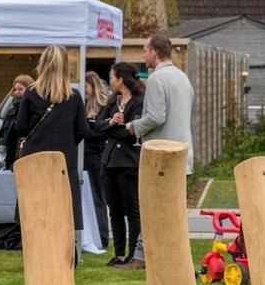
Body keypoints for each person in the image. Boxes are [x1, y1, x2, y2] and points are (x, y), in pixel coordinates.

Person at [124, 34, 193, 265]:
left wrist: (133, 126)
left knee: (152, 207)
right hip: (183, 154)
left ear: (154, 52)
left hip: (161, 155)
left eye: (145, 50)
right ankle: (171, 256)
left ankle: (141, 257)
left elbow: (155, 117)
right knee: (174, 212)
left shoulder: (156, 79)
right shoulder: (183, 78)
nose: (143, 55)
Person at [12, 45, 91, 233]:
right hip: (63, 160)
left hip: (35, 158)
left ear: (42, 64)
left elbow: (20, 128)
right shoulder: (73, 97)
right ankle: (62, 258)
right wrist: (66, 143)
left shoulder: (31, 93)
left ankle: (37, 257)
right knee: (62, 213)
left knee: (36, 214)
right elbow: (82, 130)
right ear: (65, 66)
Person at [95, 63, 146, 267]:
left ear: (121, 79)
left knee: (131, 210)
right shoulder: (112, 101)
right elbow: (97, 126)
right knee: (114, 210)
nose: (110, 79)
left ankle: (134, 254)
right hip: (109, 162)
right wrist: (110, 123)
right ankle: (118, 253)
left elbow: (131, 132)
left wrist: (112, 127)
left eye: (112, 76)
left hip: (128, 162)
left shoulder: (140, 102)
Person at [80, 71, 114, 245]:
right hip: (83, 155)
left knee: (97, 196)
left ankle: (102, 236)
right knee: (86, 196)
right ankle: (89, 235)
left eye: (85, 86)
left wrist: (93, 128)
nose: (83, 90)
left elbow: (101, 130)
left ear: (93, 86)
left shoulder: (103, 107)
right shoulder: (83, 106)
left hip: (96, 155)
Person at [0, 74, 32, 168]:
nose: (17, 92)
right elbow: (2, 137)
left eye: (20, 89)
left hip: (25, 160)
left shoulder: (32, 112)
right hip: (8, 161)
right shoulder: (10, 112)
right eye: (15, 89)